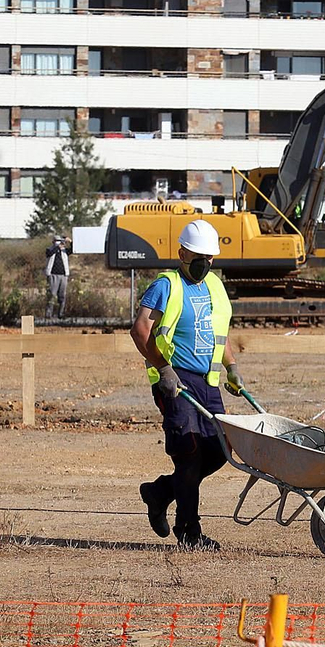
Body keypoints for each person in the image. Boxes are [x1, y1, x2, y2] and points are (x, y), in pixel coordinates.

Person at [129, 219, 246, 551]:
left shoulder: (215, 288)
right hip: (175, 380)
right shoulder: (166, 285)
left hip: (208, 382)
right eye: (198, 256)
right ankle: (189, 532)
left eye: (210, 258)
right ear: (181, 252)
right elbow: (140, 331)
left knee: (221, 449)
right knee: (189, 452)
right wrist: (163, 369)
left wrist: (232, 369)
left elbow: (216, 334)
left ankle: (160, 492)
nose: (204, 263)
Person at [44, 236, 70, 318]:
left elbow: (73, 249)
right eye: (58, 241)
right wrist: (58, 247)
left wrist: (70, 241)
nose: (60, 243)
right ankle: (48, 314)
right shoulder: (49, 249)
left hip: (63, 275)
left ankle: (61, 314)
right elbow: (49, 254)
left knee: (62, 295)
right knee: (51, 295)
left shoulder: (64, 251)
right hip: (52, 275)